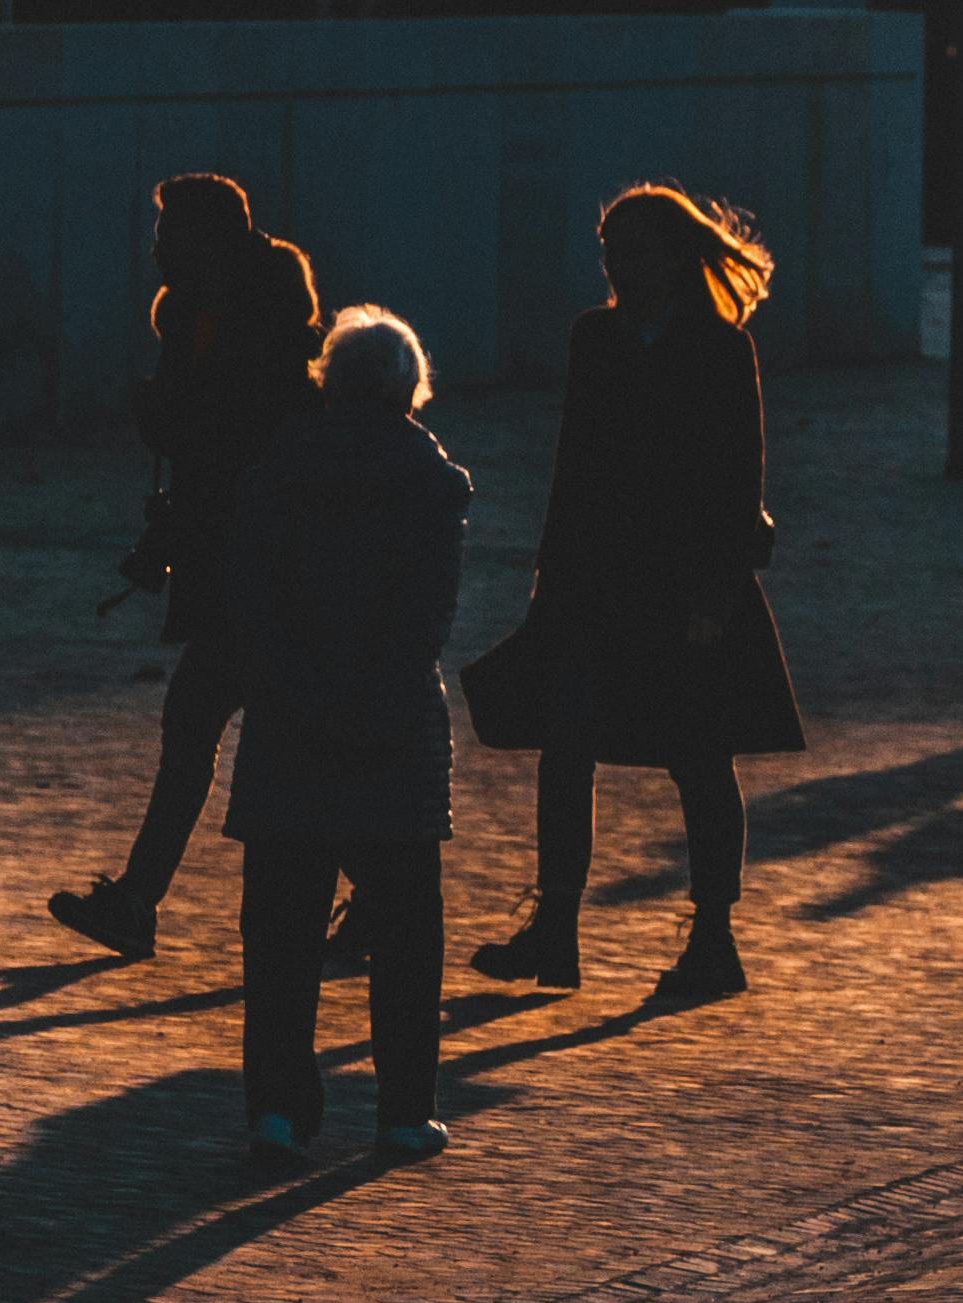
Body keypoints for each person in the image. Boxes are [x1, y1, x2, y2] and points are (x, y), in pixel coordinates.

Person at [474, 186, 802, 1006]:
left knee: (699, 761)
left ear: (677, 255)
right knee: (566, 747)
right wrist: (549, 583)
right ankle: (555, 927)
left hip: (684, 586)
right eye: (610, 248)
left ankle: (714, 938)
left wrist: (717, 595)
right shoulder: (597, 338)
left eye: (635, 248)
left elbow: (739, 477)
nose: (619, 264)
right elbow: (572, 468)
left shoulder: (722, 349)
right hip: (598, 583)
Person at [222, 307, 471, 1169]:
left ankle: (278, 1111)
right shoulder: (432, 482)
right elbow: (424, 622)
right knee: (406, 934)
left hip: (289, 725)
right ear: (411, 391)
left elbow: (251, 605)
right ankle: (405, 1109)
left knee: (281, 935)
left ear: (328, 383)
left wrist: (289, 685)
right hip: (391, 728)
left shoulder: (278, 471)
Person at [47, 178, 318, 962]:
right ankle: (142, 899)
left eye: (169, 231)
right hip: (233, 562)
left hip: (264, 568)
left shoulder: (246, 331)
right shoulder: (201, 319)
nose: (157, 247)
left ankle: (140, 900)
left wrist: (167, 420)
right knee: (246, 727)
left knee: (213, 722)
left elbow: (230, 452)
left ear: (210, 238)